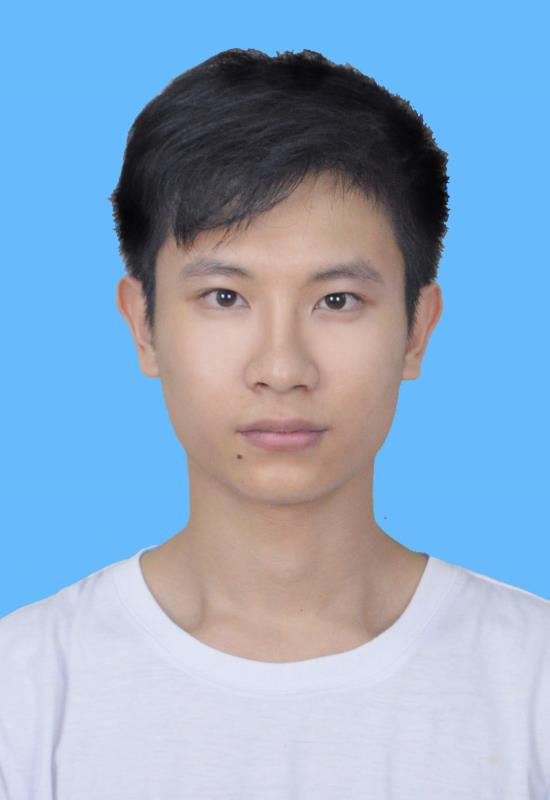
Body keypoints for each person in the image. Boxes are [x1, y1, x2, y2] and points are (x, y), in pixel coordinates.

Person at [1, 48, 548, 799]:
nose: (283, 368)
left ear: (417, 331)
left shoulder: (531, 685)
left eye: (337, 301)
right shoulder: (26, 692)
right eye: (225, 297)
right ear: (144, 326)